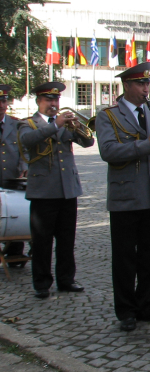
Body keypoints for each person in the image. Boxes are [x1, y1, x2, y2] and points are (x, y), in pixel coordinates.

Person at [96, 63, 150, 331]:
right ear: (127, 86)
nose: (146, 89)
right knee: (124, 257)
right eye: (140, 84)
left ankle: (148, 305)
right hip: (126, 195)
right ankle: (126, 310)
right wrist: (148, 143)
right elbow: (108, 152)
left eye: (148, 84)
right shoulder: (108, 115)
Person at [18, 82, 95, 299]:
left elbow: (88, 142)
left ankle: (66, 279)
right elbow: (27, 141)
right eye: (49, 100)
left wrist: (78, 127)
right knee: (42, 240)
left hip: (67, 189)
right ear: (38, 102)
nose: (53, 104)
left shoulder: (64, 124)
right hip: (43, 191)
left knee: (66, 239)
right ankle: (41, 283)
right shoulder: (28, 124)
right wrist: (56, 125)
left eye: (56, 100)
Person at [0, 84, 27, 261]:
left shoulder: (16, 124)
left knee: (15, 212)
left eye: (4, 101)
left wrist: (25, 168)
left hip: (11, 177)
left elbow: (24, 149)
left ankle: (15, 251)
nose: (2, 105)